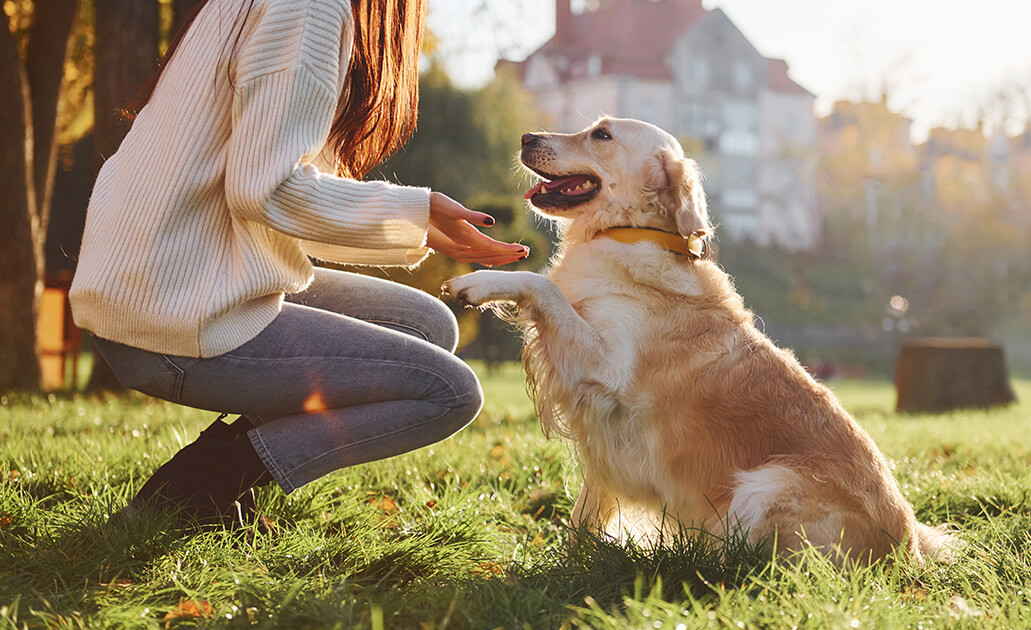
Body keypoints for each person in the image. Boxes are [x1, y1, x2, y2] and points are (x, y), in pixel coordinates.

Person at [69, 0, 528, 530]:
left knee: (426, 325)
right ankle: (202, 487)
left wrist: (415, 225)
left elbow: (256, 187)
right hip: (174, 306)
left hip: (176, 271)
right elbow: (264, 189)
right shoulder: (309, 9)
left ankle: (209, 472)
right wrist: (413, 207)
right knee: (448, 392)